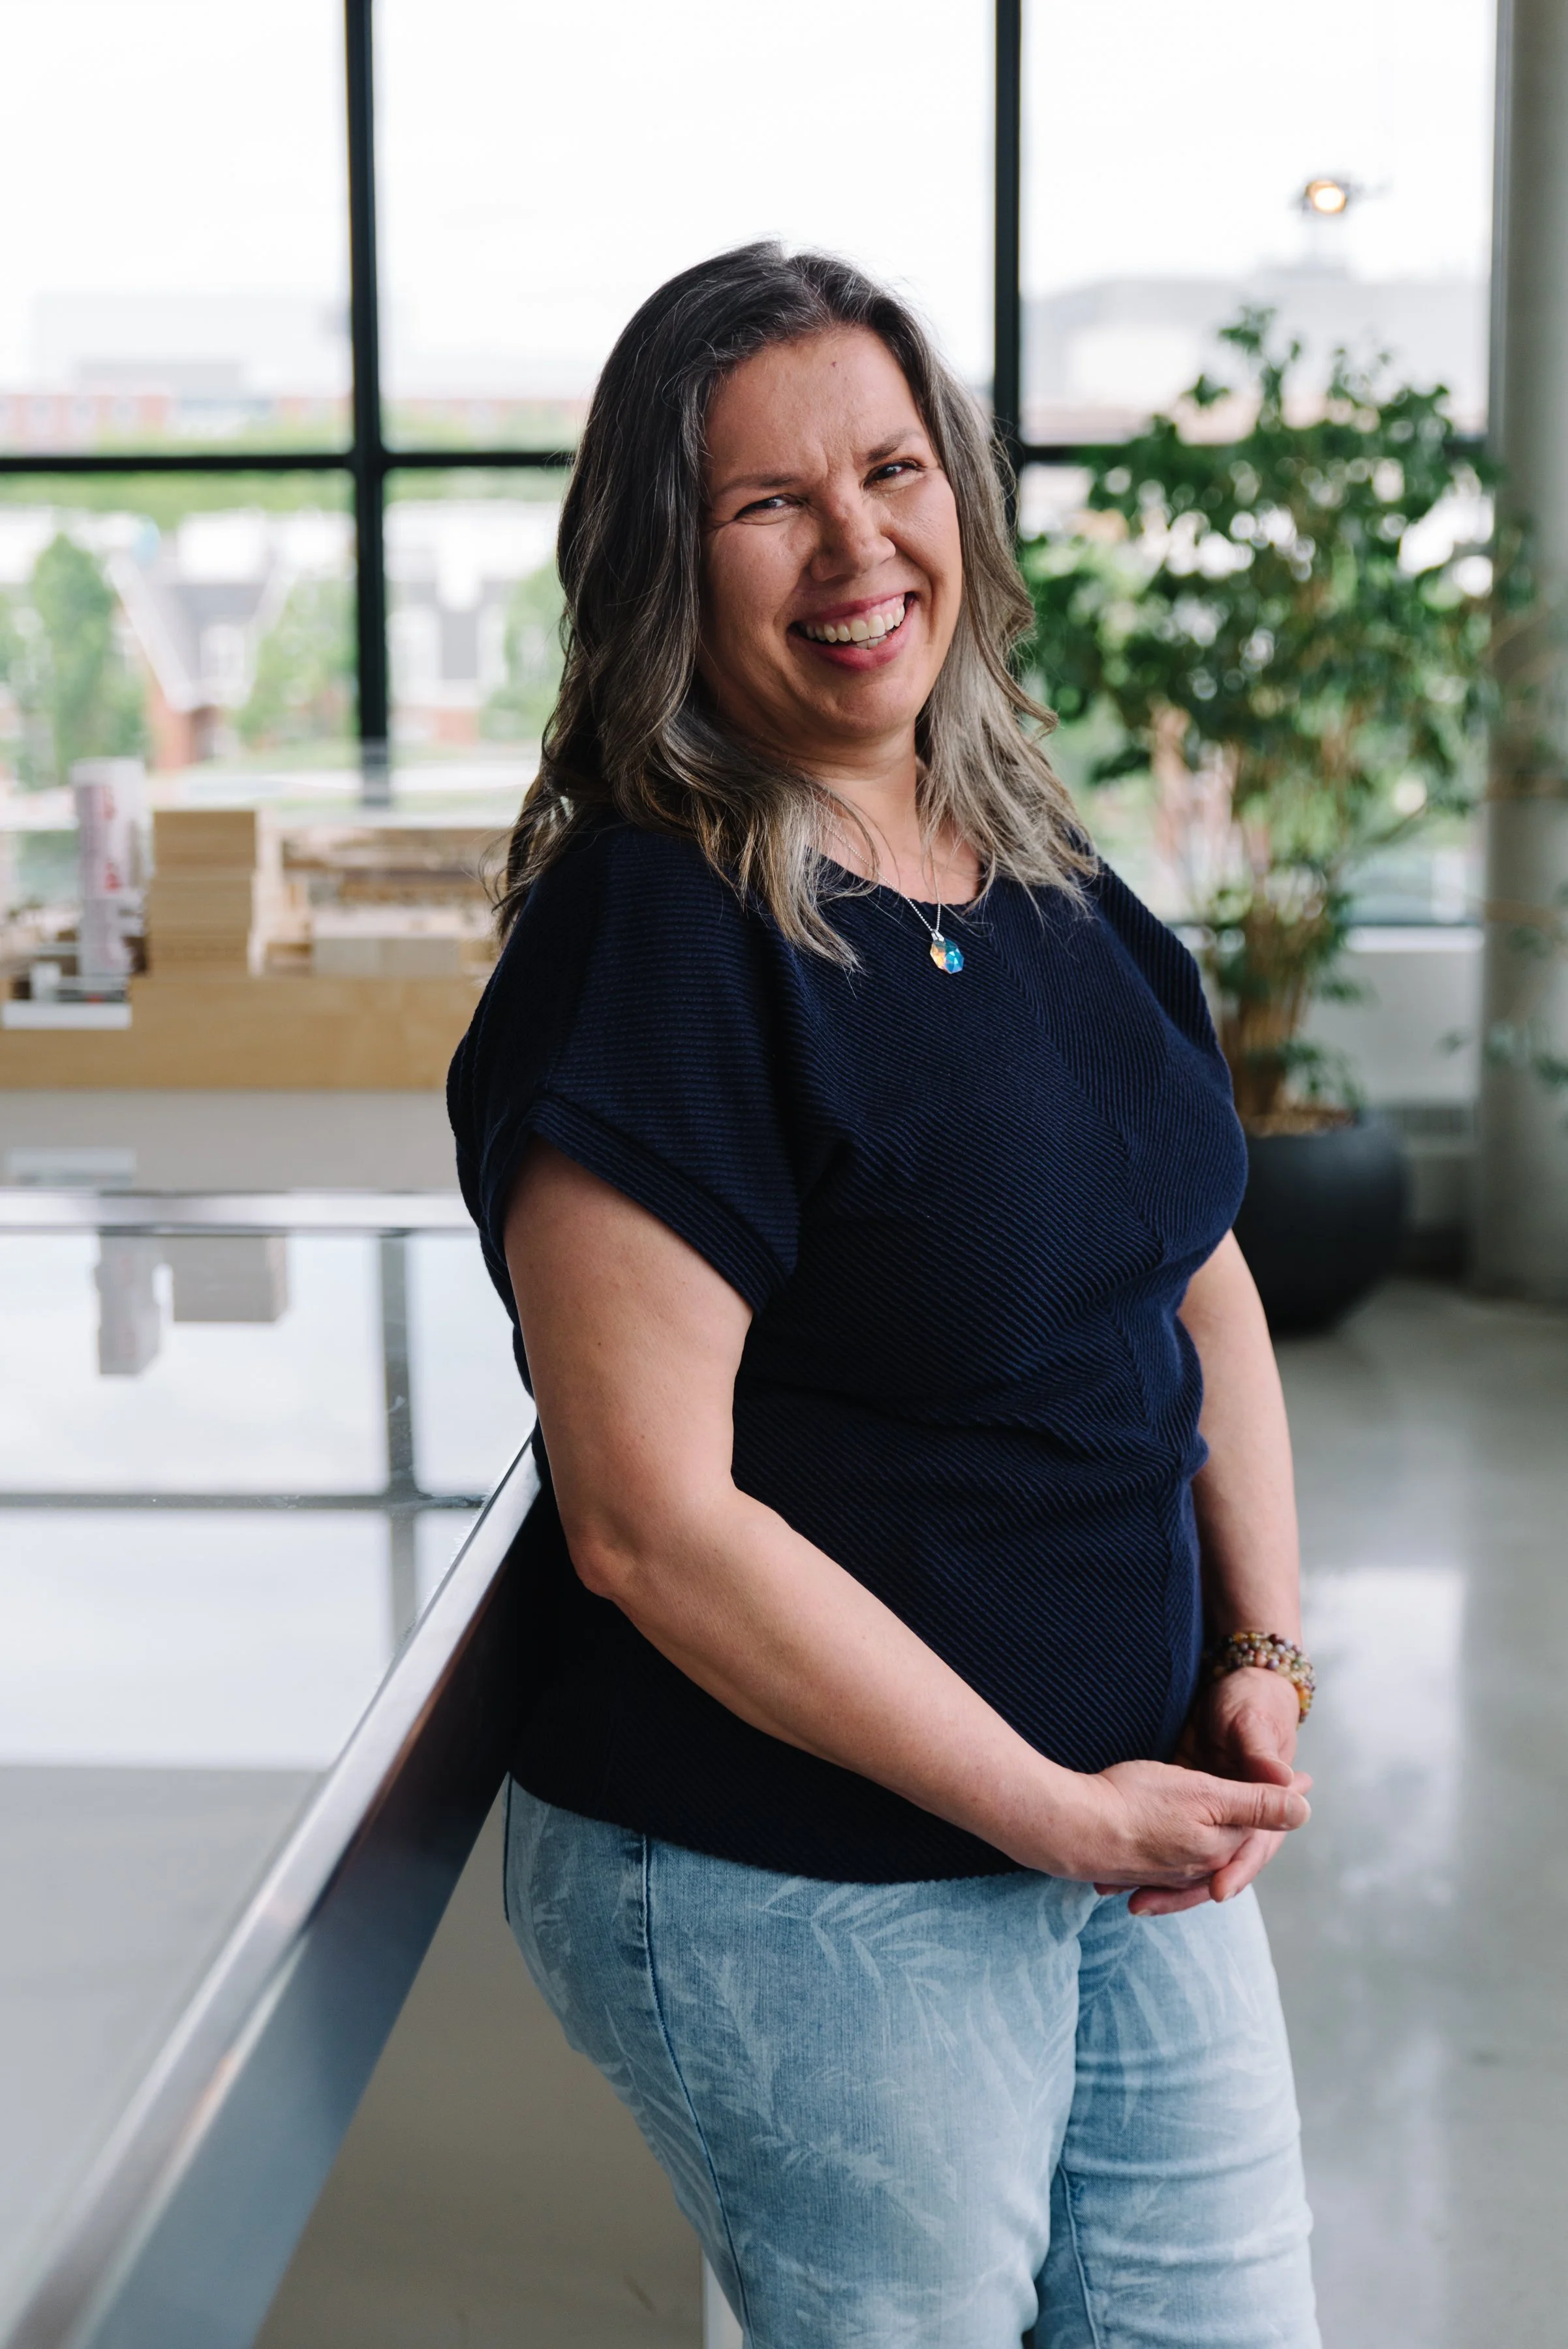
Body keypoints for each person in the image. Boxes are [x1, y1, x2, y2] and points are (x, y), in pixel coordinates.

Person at [449, 242, 1319, 2348]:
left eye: (893, 472)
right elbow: (652, 1526)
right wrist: (1054, 1810)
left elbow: (1197, 1276)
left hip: (1129, 1826)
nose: (857, 549)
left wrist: (1262, 1653)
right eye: (770, 503)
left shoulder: (1032, 860)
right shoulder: (659, 934)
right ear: (667, 567)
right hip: (800, 1873)